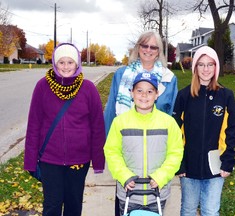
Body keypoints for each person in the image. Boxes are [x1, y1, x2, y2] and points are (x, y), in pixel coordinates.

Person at [24, 43, 106, 216]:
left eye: (70, 62)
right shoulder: (42, 86)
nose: (66, 66)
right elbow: (34, 125)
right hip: (49, 160)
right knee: (52, 206)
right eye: (62, 62)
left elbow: (97, 127)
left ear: (77, 64)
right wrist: (30, 162)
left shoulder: (88, 89)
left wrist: (98, 161)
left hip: (79, 160)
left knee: (73, 206)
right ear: (54, 63)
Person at [103, 30, 178, 215]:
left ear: (159, 50)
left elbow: (173, 114)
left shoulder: (169, 78)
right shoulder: (122, 75)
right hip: (129, 153)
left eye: (154, 46)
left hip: (157, 153)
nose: (148, 50)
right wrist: (107, 148)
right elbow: (112, 109)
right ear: (138, 47)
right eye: (144, 45)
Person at [172, 46, 235, 216]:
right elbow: (175, 132)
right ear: (195, 67)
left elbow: (231, 131)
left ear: (216, 67)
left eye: (210, 64)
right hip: (189, 165)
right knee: (188, 210)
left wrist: (228, 161)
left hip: (216, 165)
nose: (206, 69)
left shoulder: (226, 96)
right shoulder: (184, 96)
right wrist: (180, 163)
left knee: (210, 210)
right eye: (201, 64)